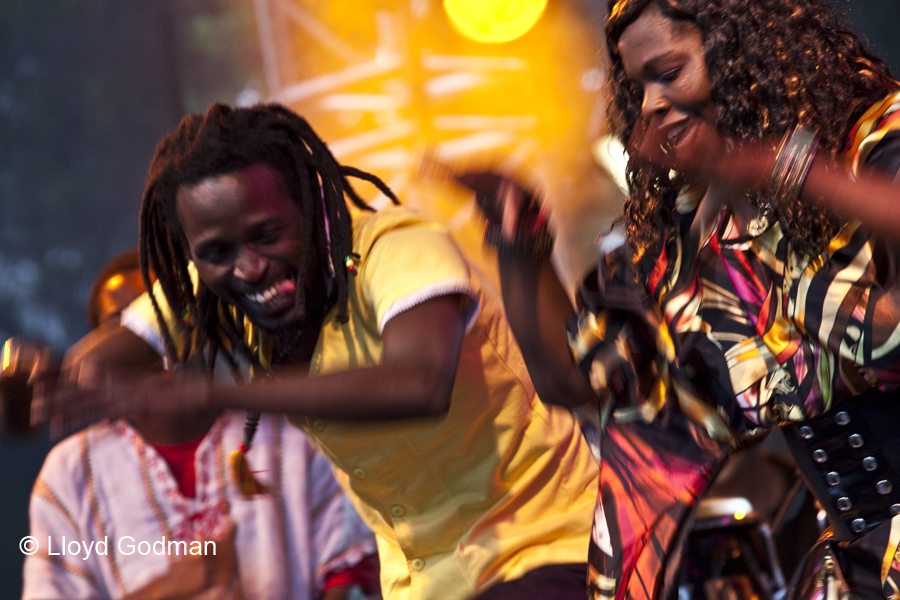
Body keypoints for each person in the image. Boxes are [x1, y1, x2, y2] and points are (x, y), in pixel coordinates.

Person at [60, 103, 600, 600]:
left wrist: (211, 390)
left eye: (267, 235)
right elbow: (93, 366)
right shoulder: (218, 292)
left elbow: (420, 382)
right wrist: (49, 379)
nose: (250, 267)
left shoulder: (397, 246)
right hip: (427, 584)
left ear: (312, 204)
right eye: (217, 252)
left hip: (544, 546)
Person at [481, 0, 900, 598]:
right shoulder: (695, 242)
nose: (650, 103)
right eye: (637, 85)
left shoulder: (872, 137)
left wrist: (766, 164)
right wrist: (520, 245)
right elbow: (576, 381)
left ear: (742, 54)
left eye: (668, 73)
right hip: (859, 568)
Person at [23, 250, 380, 600]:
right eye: (127, 328)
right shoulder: (70, 472)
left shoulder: (292, 433)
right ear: (102, 342)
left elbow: (352, 568)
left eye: (168, 320)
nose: (154, 343)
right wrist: (170, 588)